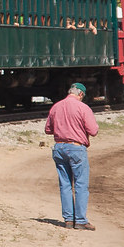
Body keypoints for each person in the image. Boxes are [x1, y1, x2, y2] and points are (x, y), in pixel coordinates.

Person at [44, 83, 99, 231]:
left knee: (65, 184)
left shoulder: (56, 107)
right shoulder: (83, 108)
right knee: (81, 184)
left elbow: (48, 130)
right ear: (81, 94)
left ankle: (68, 220)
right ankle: (80, 220)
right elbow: (93, 130)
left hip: (59, 147)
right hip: (76, 148)